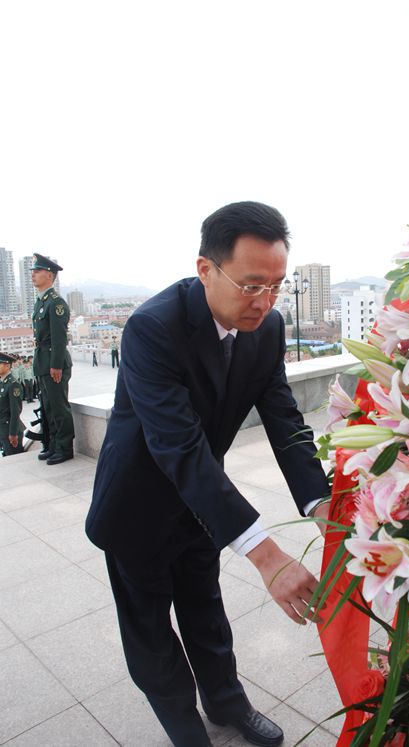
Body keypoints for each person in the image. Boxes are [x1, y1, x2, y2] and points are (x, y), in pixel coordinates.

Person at [86, 201, 331, 747]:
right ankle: (183, 725)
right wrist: (267, 555)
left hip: (203, 505)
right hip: (137, 506)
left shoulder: (267, 329)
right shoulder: (152, 328)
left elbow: (285, 419)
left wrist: (323, 506)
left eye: (277, 286)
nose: (265, 303)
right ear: (205, 270)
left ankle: (228, 704)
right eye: (250, 286)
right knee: (151, 633)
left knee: (206, 611)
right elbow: (178, 446)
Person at [31, 253, 75, 465]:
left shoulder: (55, 304)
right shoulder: (40, 303)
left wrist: (56, 365)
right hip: (43, 362)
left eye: (37, 271)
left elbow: (59, 338)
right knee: (48, 406)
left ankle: (65, 448)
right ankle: (54, 445)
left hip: (53, 363)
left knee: (58, 407)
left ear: (49, 275)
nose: (33, 275)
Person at [0, 352, 25, 456]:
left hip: (10, 430)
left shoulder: (13, 384)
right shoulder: (2, 382)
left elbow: (15, 411)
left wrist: (13, 433)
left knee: (15, 460)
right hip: (3, 430)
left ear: (7, 365)